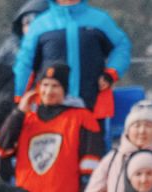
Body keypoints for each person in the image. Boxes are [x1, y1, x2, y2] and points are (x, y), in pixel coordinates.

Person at [0, 62, 106, 192]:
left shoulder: (82, 118)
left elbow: (91, 165)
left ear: (64, 90)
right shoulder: (26, 118)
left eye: (55, 86)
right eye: (44, 85)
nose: (48, 90)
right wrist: (19, 112)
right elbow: (0, 148)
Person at [15, 0, 133, 128]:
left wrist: (111, 73)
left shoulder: (100, 20)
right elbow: (24, 64)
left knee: (91, 148)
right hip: (48, 109)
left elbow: (122, 46)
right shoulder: (40, 25)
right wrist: (18, 97)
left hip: (92, 107)